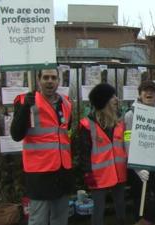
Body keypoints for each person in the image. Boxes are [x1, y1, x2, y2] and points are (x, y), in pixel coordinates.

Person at [10, 69, 73, 225]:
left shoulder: (66, 103)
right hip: (39, 173)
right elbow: (16, 135)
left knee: (60, 219)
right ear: (38, 80)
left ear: (59, 81)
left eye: (53, 77)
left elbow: (65, 132)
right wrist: (25, 109)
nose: (50, 81)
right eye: (45, 77)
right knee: (38, 220)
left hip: (63, 170)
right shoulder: (25, 101)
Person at [76, 83, 127, 225]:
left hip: (119, 171)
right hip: (98, 175)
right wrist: (87, 173)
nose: (116, 99)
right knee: (98, 209)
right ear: (104, 101)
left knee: (121, 206)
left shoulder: (119, 122)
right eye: (112, 97)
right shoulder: (87, 125)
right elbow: (84, 153)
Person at [124, 80, 155, 225]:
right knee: (139, 198)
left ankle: (149, 220)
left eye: (152, 91)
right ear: (139, 94)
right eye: (145, 90)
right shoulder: (130, 115)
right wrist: (137, 168)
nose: (149, 93)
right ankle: (140, 220)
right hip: (138, 165)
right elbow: (127, 141)